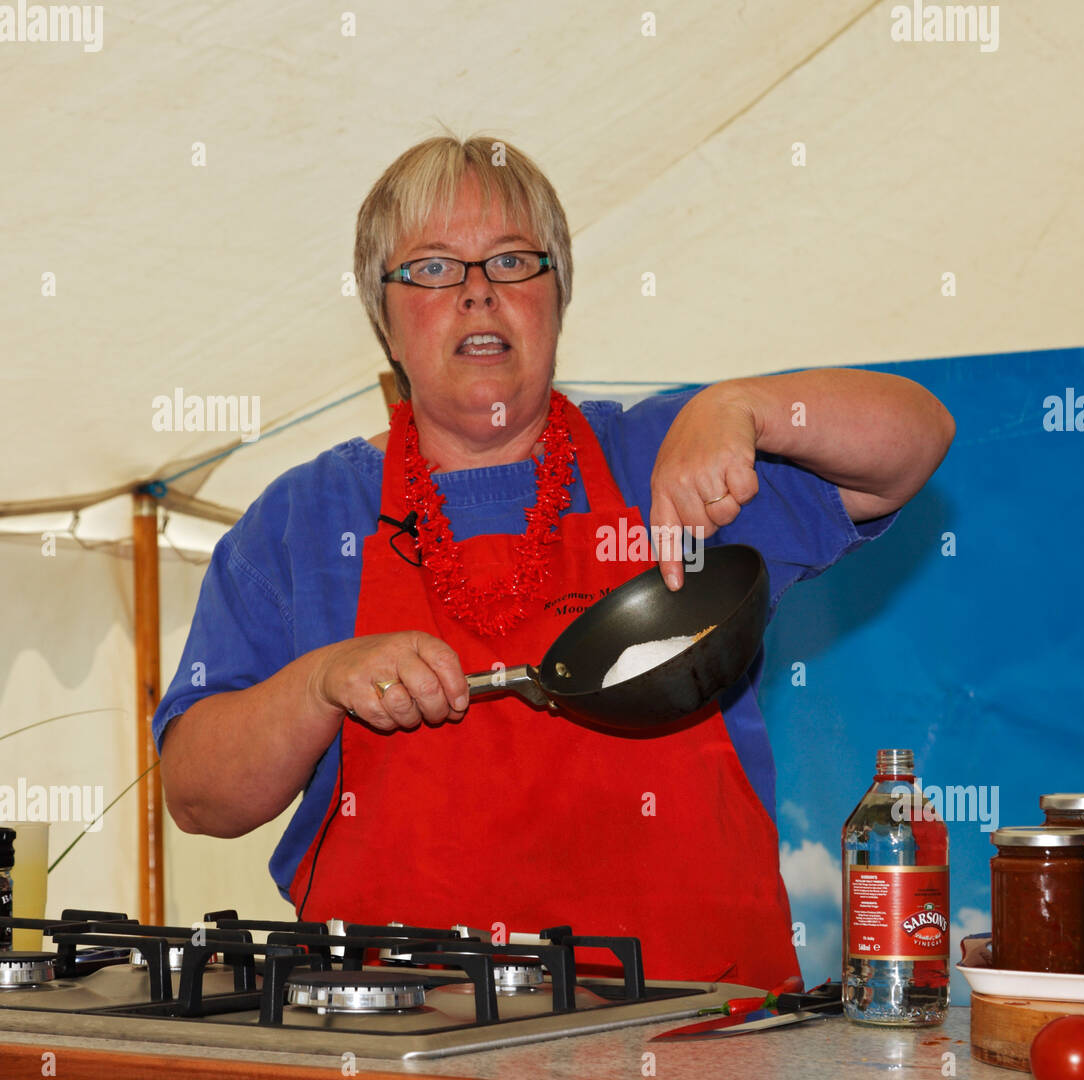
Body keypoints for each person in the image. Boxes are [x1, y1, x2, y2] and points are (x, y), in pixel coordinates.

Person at [156, 134, 954, 989]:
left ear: (557, 298)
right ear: (384, 322)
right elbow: (200, 795)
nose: (475, 293)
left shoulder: (669, 458)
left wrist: (748, 406)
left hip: (703, 1042)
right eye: (430, 269)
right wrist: (316, 684)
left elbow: (917, 439)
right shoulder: (302, 523)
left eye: (510, 261)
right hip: (402, 1045)